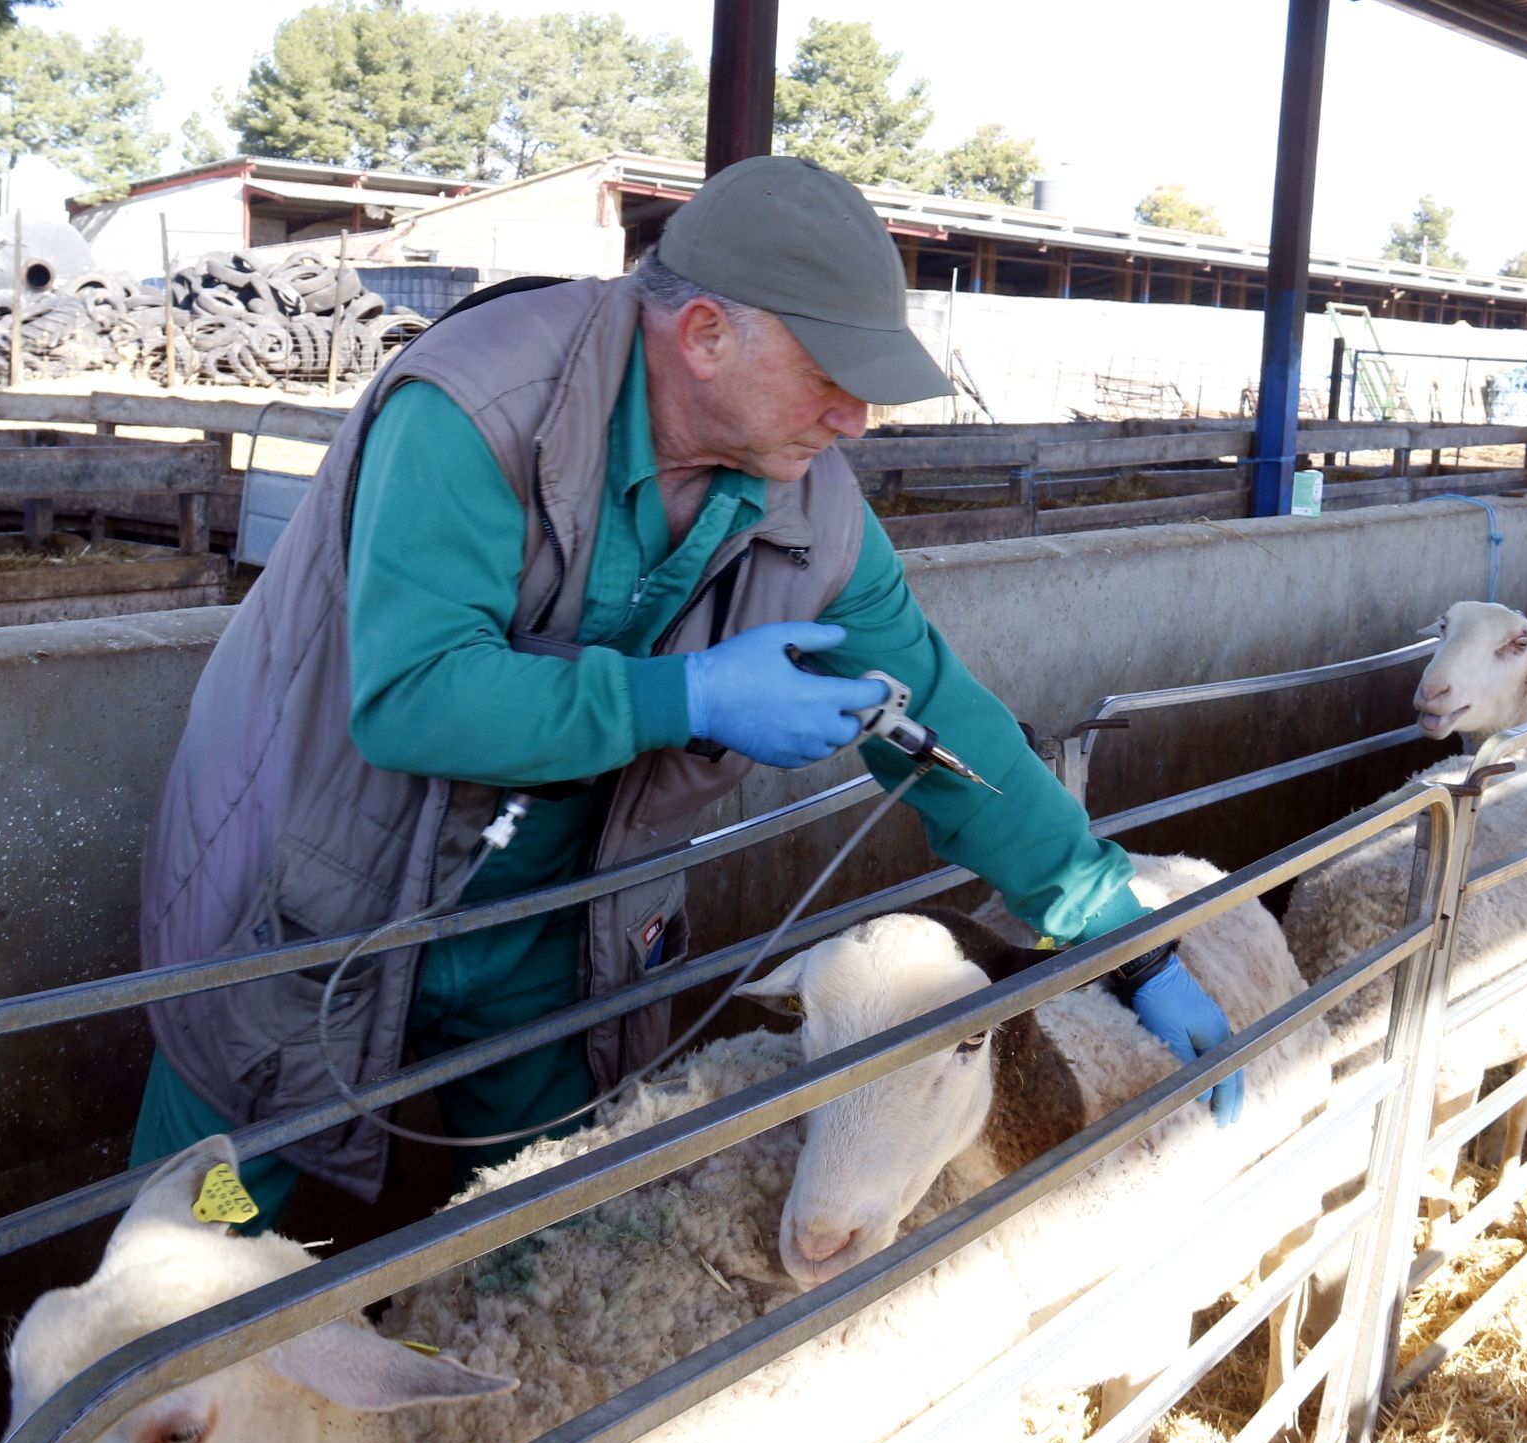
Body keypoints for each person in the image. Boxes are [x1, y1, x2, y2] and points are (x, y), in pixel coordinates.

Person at [133, 156, 1242, 1223]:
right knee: (208, 1226)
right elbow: (416, 696)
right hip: (303, 910)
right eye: (832, 378)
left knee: (545, 1225)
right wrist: (688, 700)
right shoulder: (473, 410)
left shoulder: (812, 509)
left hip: (546, 931)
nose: (856, 420)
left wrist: (1124, 941)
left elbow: (939, 719)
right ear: (706, 334)